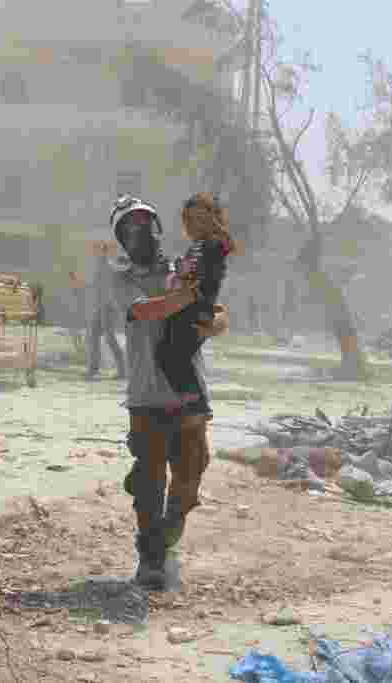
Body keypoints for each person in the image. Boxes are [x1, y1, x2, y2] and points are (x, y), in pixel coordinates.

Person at [107, 194, 229, 591]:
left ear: (157, 228)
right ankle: (151, 558)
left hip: (189, 391)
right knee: (148, 479)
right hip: (146, 395)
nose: (139, 232)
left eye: (144, 224)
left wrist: (214, 323)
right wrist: (189, 298)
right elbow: (146, 311)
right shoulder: (121, 280)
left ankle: (167, 537)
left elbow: (216, 309)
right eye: (129, 228)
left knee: (192, 470)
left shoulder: (185, 267)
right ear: (122, 239)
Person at [155, 193, 233, 408]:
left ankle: (195, 402)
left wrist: (189, 274)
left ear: (211, 220)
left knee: (172, 355)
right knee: (167, 352)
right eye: (187, 220)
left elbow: (210, 269)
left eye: (199, 219)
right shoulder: (196, 246)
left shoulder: (213, 244)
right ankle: (190, 399)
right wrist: (181, 272)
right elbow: (187, 273)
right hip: (187, 304)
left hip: (198, 307)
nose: (191, 225)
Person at [85, 241, 126, 381]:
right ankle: (93, 369)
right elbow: (94, 286)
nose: (98, 254)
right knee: (93, 336)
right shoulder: (98, 267)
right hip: (100, 306)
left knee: (109, 338)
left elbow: (115, 282)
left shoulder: (110, 267)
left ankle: (122, 370)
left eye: (101, 251)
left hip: (109, 306)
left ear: (105, 253)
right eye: (97, 251)